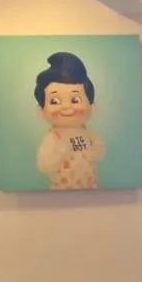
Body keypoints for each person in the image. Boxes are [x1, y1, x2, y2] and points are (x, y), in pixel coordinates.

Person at [34, 51, 105, 189]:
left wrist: (96, 151)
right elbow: (44, 165)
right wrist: (60, 153)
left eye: (75, 100)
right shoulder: (53, 138)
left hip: (91, 188)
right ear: (41, 111)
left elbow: (100, 150)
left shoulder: (87, 133)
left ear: (92, 107)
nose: (66, 107)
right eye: (54, 101)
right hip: (62, 191)